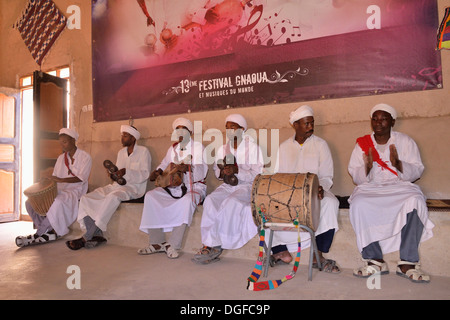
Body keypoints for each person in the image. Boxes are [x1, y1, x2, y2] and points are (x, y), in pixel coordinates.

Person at [348, 103, 434, 283]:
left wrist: (399, 164)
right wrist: (367, 167)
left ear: (392, 121)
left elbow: (418, 169)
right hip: (371, 187)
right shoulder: (362, 144)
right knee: (359, 203)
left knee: (415, 199)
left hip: (399, 186)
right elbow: (354, 173)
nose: (378, 122)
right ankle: (375, 260)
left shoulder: (405, 141)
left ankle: (407, 263)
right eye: (375, 119)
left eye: (383, 118)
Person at [269, 105, 341, 273]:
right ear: (295, 125)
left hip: (313, 191)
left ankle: (318, 255)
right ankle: (280, 250)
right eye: (306, 123)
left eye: (312, 123)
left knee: (331, 203)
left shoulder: (321, 145)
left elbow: (326, 174)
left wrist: (320, 187)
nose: (310, 127)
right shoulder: (283, 147)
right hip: (289, 194)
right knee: (267, 205)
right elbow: (277, 174)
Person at [192, 114, 264, 264]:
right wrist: (223, 171)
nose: (230, 131)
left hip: (246, 186)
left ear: (242, 129)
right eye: (227, 128)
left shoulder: (253, 148)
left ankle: (218, 244)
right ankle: (208, 243)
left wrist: (237, 171)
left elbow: (259, 174)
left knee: (231, 202)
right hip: (227, 185)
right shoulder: (223, 149)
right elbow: (217, 173)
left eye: (233, 127)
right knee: (211, 200)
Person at [66, 125, 151, 250]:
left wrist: (126, 171)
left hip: (134, 188)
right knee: (87, 197)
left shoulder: (144, 151)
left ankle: (87, 236)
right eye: (122, 135)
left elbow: (145, 174)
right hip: (117, 185)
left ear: (133, 138)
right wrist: (113, 175)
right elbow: (117, 175)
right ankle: (97, 235)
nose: (122, 138)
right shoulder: (121, 153)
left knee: (112, 197)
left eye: (125, 136)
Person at [138, 118, 207, 259]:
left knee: (187, 201)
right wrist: (157, 172)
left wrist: (188, 168)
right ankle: (156, 242)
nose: (180, 131)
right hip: (174, 189)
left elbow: (202, 170)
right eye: (177, 129)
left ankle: (173, 244)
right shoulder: (173, 149)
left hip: (194, 187)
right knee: (151, 196)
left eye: (184, 128)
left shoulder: (198, 147)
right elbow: (163, 165)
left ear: (190, 132)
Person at [16, 128, 92, 247]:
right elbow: (55, 176)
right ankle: (49, 231)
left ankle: (38, 234)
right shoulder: (61, 158)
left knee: (58, 201)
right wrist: (47, 180)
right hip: (59, 189)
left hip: (75, 190)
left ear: (73, 140)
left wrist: (61, 180)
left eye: (65, 142)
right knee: (29, 203)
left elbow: (82, 178)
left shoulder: (85, 157)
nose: (62, 145)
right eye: (60, 142)